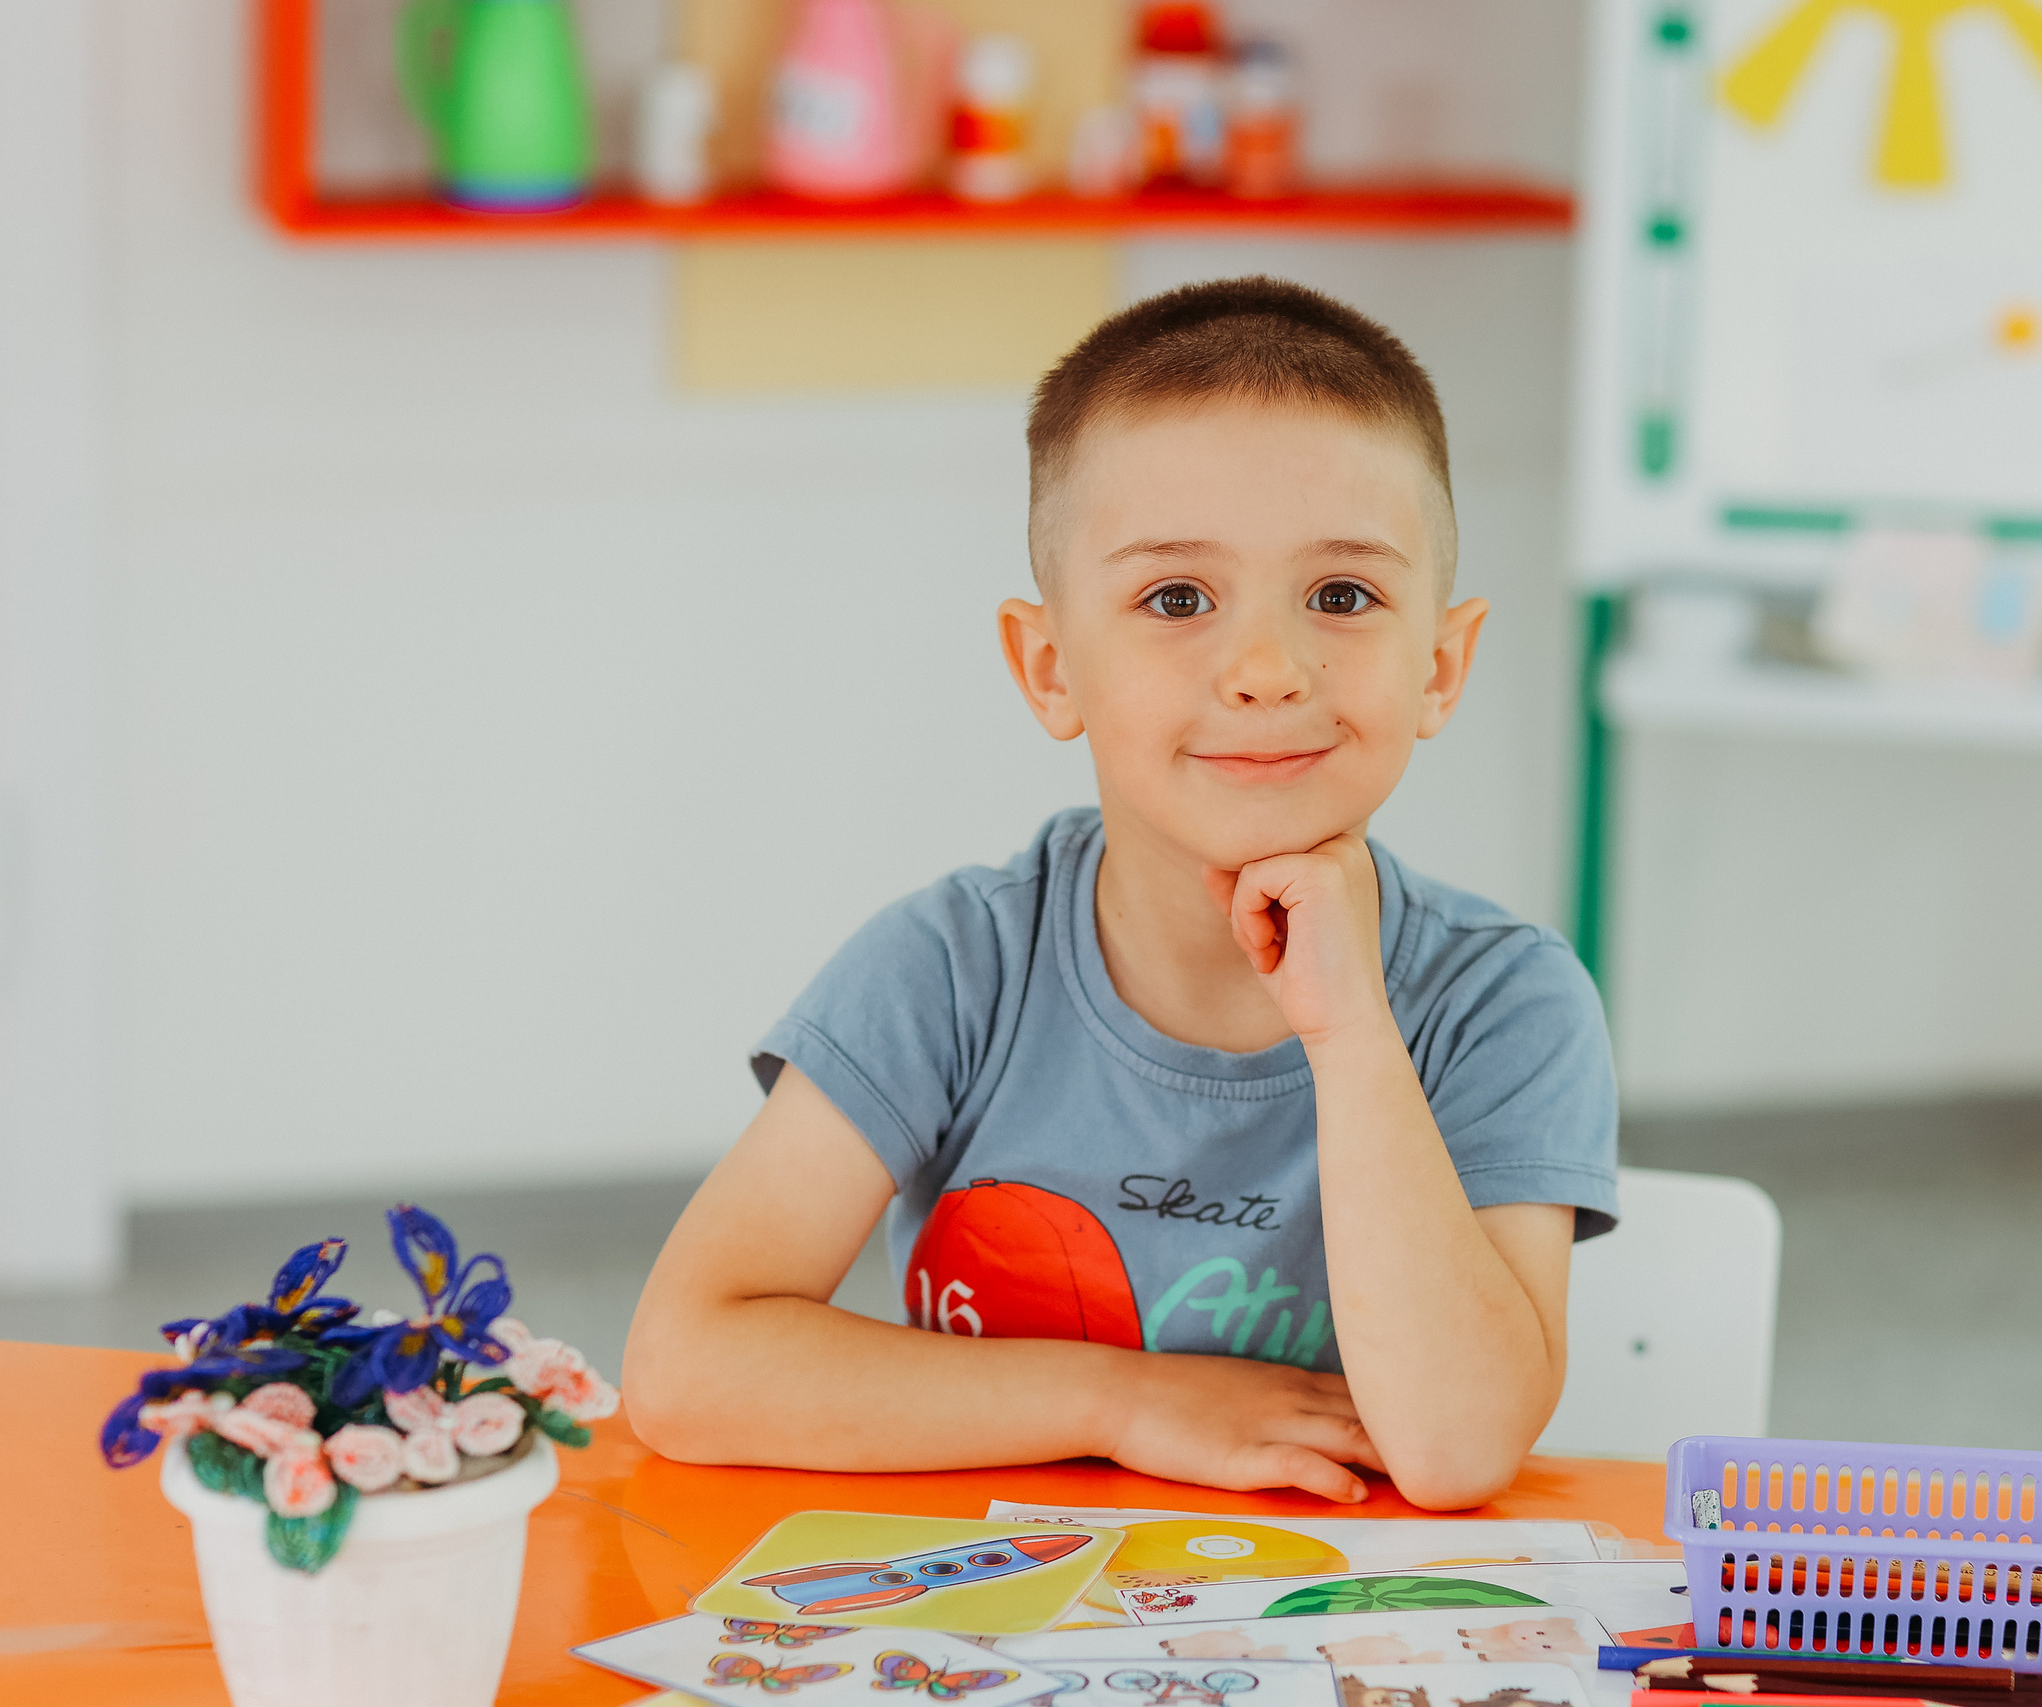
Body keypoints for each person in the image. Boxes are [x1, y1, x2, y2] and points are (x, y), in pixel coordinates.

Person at [625, 276, 1617, 1510]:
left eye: (1343, 596)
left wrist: (1352, 1033)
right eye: (1176, 599)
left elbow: (1457, 1451)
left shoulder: (1505, 1000)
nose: (1265, 669)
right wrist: (1125, 1401)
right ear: (1049, 669)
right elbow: (682, 1365)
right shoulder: (949, 967)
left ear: (1442, 664)